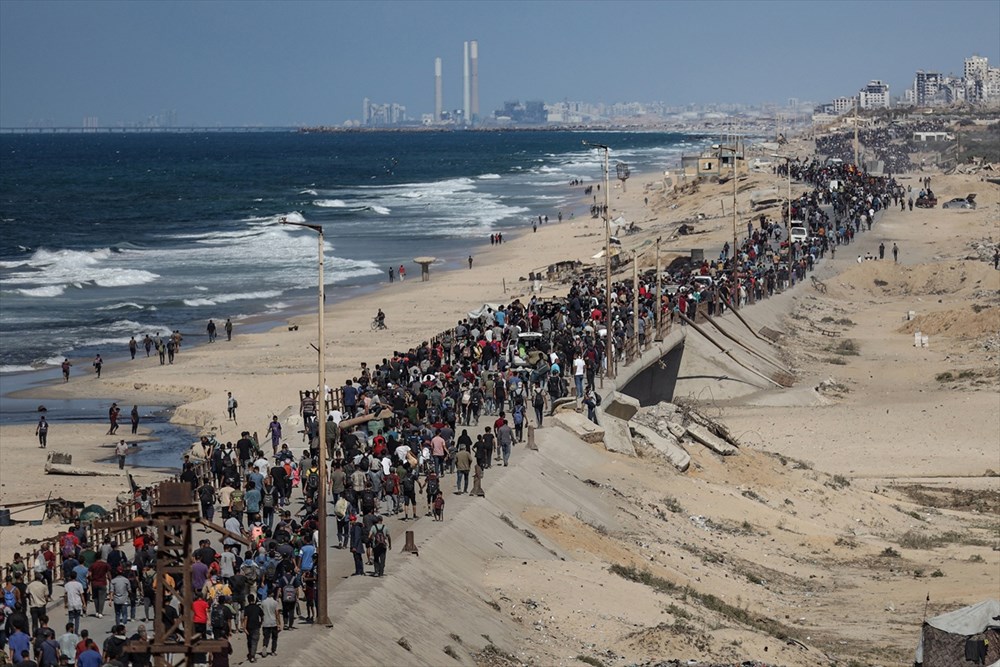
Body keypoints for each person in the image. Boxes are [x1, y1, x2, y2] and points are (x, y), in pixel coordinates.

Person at [260, 589, 281, 657]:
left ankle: (265, 646)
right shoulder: (275, 602)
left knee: (266, 637)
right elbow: (277, 613)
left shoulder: (263, 602)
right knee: (274, 638)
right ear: (272, 594)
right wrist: (279, 623)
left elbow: (261, 613)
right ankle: (273, 651)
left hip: (266, 622)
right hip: (273, 622)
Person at [243, 594, 263, 663]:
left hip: (249, 627)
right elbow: (262, 616)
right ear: (254, 600)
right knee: (254, 642)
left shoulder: (246, 608)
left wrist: (244, 627)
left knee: (249, 641)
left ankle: (250, 654)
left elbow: (245, 618)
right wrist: (261, 623)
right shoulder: (257, 607)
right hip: (256, 626)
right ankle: (252, 656)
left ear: (248, 600)